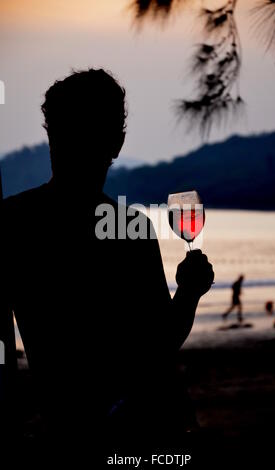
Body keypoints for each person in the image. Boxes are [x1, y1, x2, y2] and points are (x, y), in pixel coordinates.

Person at [0, 69, 214, 440]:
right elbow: (160, 342)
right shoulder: (130, 229)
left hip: (65, 425)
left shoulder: (12, 221)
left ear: (51, 135)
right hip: (140, 428)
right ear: (118, 143)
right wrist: (190, 291)